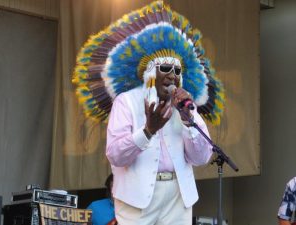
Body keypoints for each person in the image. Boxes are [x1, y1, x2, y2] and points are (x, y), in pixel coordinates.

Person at [72, 1, 224, 225]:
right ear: (150, 73)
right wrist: (148, 131)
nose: (172, 76)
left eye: (177, 71)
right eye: (166, 69)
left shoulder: (185, 106)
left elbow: (201, 158)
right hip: (137, 199)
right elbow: (115, 154)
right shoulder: (127, 102)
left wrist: (188, 120)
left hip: (178, 198)